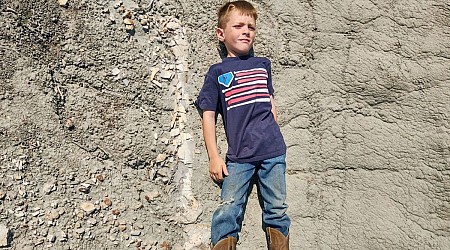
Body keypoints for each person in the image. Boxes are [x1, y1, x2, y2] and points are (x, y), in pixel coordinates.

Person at [195, 1, 290, 249]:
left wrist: (276, 134)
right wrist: (214, 156)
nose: (246, 30)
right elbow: (208, 114)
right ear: (221, 34)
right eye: (238, 25)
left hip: (273, 151)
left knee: (277, 209)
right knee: (228, 208)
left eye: (251, 26)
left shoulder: (262, 65)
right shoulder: (217, 72)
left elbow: (270, 103)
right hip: (239, 156)